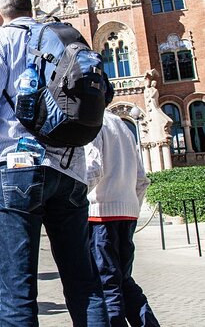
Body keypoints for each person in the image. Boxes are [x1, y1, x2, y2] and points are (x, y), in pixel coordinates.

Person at [0, 0, 108, 326]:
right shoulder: (62, 37)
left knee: (16, 292)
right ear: (30, 9)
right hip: (71, 172)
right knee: (84, 284)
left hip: (18, 171)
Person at [86, 110, 160, 327]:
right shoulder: (121, 124)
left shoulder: (91, 120)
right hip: (126, 213)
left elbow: (93, 169)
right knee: (123, 280)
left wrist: (74, 199)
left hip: (100, 214)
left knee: (106, 283)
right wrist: (132, 208)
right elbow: (141, 179)